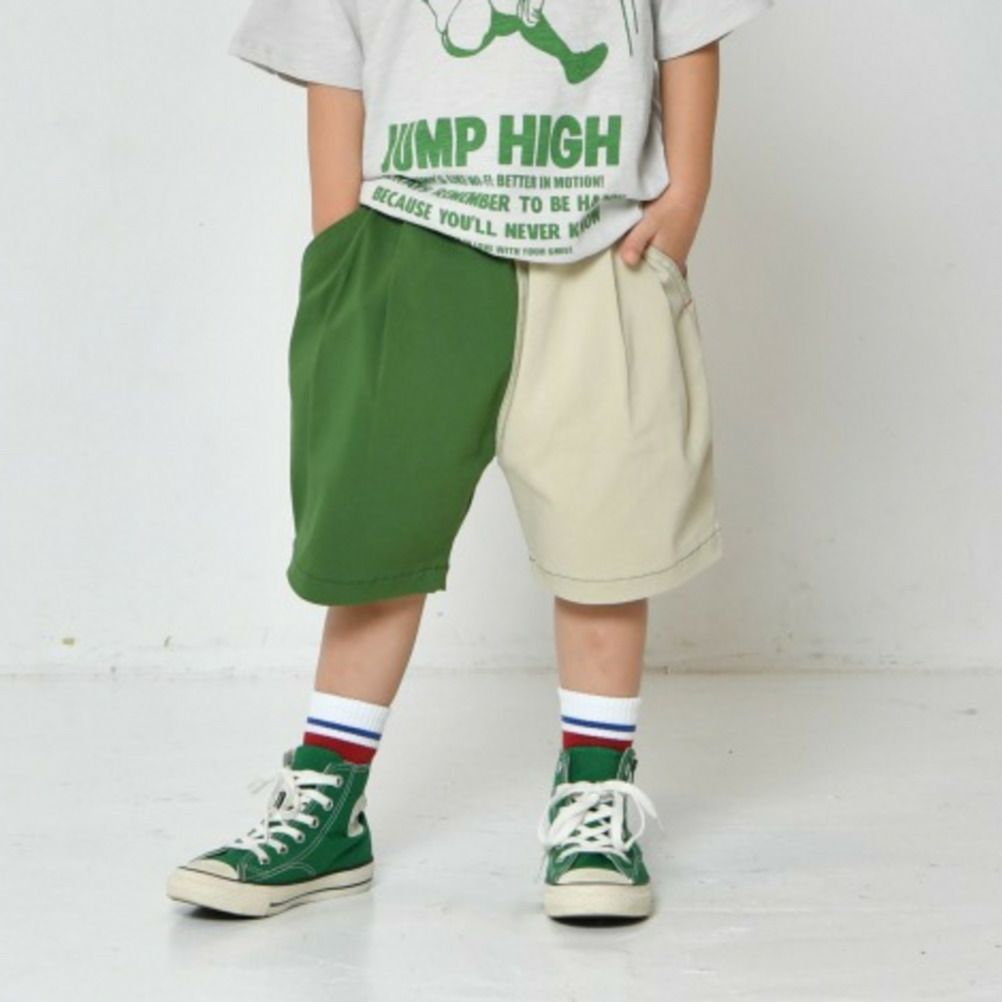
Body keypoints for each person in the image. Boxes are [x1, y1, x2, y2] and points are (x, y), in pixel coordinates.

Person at [166, 0, 773, 922]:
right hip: (409, 234)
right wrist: (341, 237)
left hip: (596, 240)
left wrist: (684, 196)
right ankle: (328, 805)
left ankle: (594, 799)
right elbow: (332, 53)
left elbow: (689, 25)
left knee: (604, 541)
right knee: (374, 540)